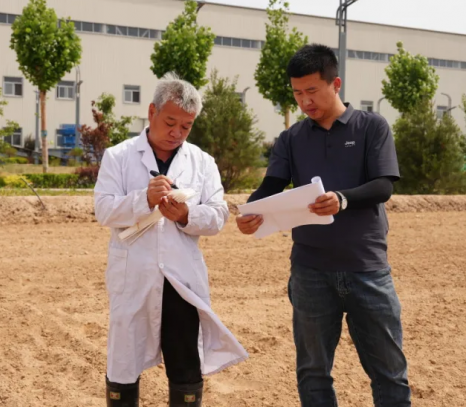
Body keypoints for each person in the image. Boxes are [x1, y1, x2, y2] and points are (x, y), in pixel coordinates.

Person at [236, 44, 411, 406]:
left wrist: (341, 199)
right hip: (310, 271)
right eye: (297, 93)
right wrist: (250, 211)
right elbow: (272, 185)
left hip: (366, 268)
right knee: (313, 373)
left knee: (389, 373)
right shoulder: (291, 138)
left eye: (312, 91)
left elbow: (383, 186)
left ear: (336, 84)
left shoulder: (372, 127)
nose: (305, 101)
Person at [94, 73, 247, 407]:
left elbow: (218, 214)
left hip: (181, 280)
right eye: (170, 122)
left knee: (185, 362)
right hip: (133, 276)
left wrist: (186, 215)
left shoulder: (202, 162)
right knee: (124, 362)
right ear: (152, 112)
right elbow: (103, 210)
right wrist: (144, 199)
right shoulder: (119, 157)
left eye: (186, 126)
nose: (177, 132)